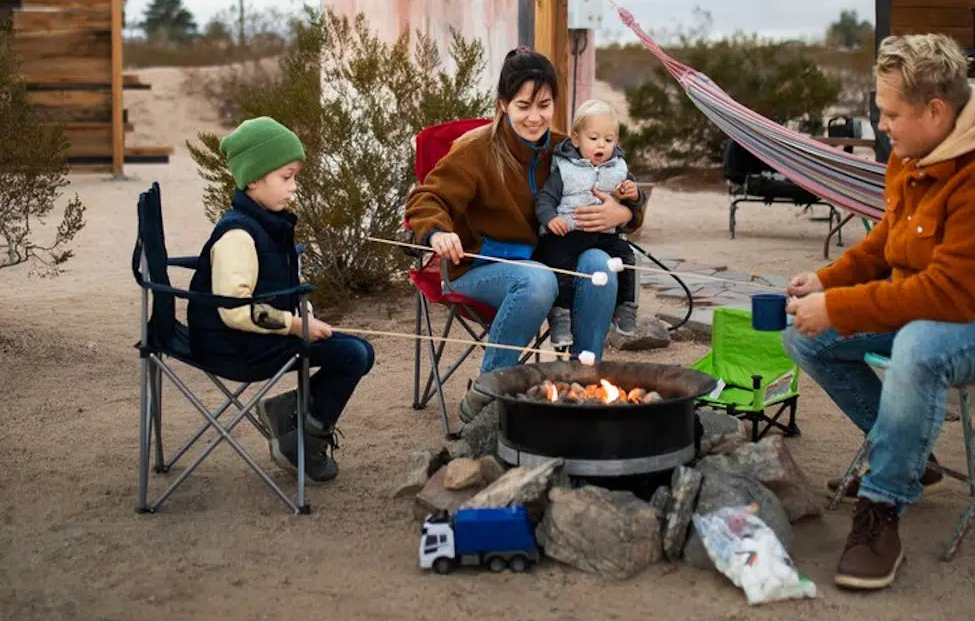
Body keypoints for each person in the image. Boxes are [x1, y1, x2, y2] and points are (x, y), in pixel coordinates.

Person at [782, 33, 975, 591]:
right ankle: (907, 457)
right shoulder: (915, 154)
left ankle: (882, 509)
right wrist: (827, 282)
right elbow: (890, 240)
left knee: (918, 347)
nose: (882, 126)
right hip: (948, 306)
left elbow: (951, 297)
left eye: (890, 114)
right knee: (806, 336)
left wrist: (840, 307)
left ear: (935, 110)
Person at [404, 47, 645, 424]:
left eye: (544, 105)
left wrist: (625, 212)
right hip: (479, 267)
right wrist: (437, 233)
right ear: (503, 104)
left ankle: (582, 384)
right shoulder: (475, 150)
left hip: (549, 261)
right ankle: (488, 389)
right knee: (538, 280)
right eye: (523, 106)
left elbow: (624, 188)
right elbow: (426, 198)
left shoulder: (569, 150)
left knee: (600, 264)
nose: (535, 117)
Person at [188, 116, 375, 485]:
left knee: (360, 352)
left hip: (258, 337)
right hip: (235, 345)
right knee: (352, 355)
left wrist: (305, 314)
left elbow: (288, 286)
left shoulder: (271, 224)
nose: (294, 187)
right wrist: (294, 325)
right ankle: (303, 439)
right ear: (253, 178)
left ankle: (290, 414)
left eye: (295, 177)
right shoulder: (238, 235)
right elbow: (235, 310)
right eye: (286, 177)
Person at [534, 99, 642, 347]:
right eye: (593, 138)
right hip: (568, 232)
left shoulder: (618, 168)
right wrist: (551, 219)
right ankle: (560, 317)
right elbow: (545, 199)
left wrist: (633, 195)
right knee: (559, 263)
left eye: (608, 139)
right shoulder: (565, 169)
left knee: (626, 257)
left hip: (604, 235)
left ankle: (625, 309)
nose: (601, 145)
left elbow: (636, 202)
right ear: (576, 139)